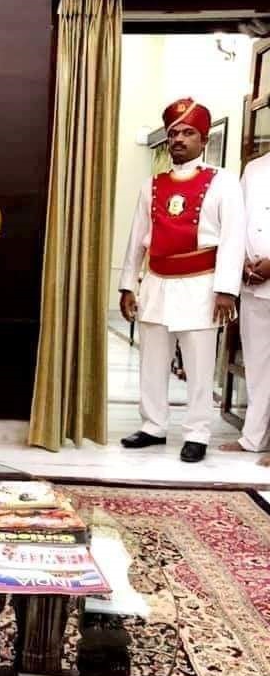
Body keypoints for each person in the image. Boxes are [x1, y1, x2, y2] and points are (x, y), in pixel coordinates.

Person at [118, 98, 245, 462]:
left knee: (199, 363)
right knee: (152, 359)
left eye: (188, 133)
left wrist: (226, 290)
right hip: (157, 281)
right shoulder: (152, 185)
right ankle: (153, 425)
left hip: (201, 284)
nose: (179, 139)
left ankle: (197, 433)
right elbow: (137, 238)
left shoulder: (223, 182)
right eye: (174, 133)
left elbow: (233, 238)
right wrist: (128, 284)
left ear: (203, 140)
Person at [220, 150, 270, 465]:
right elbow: (236, 224)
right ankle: (254, 437)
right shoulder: (254, 168)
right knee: (257, 365)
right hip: (253, 284)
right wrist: (240, 264)